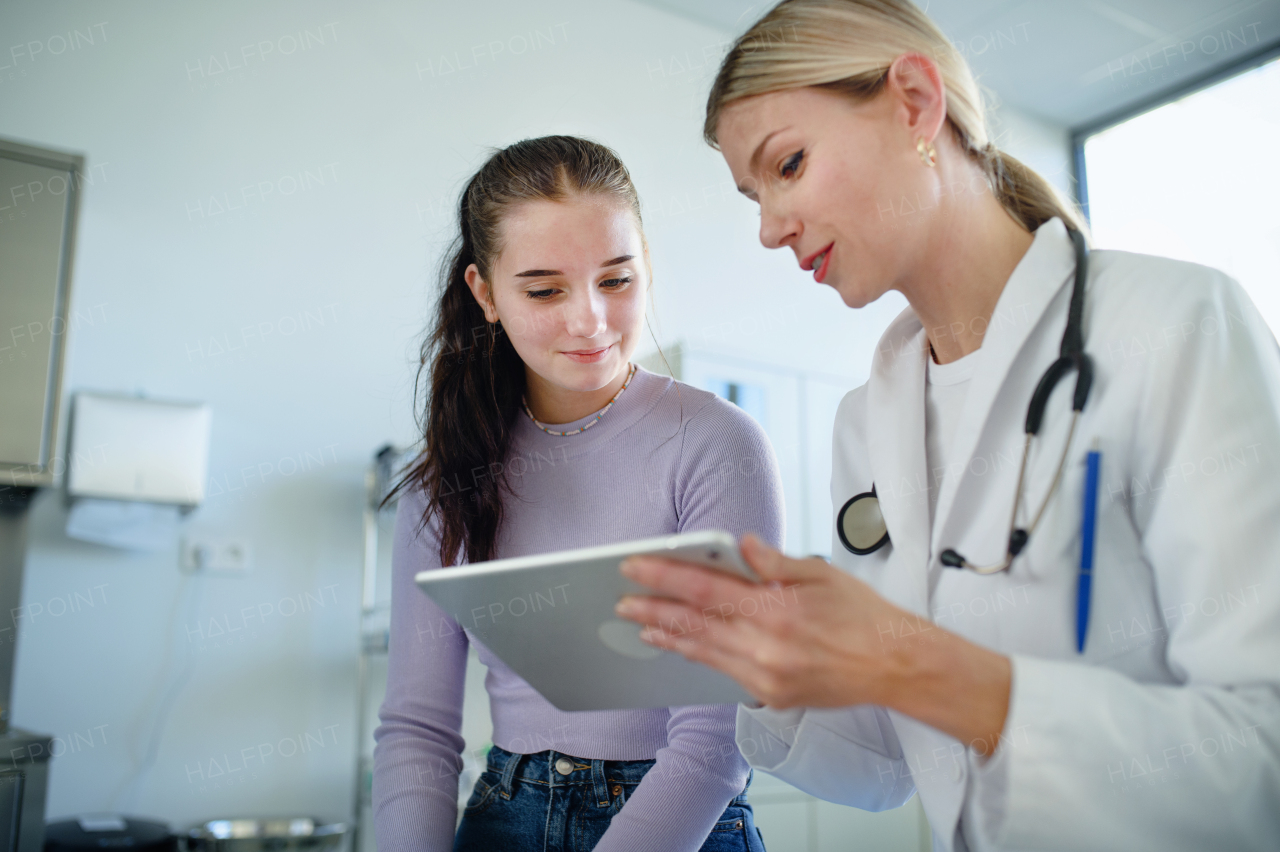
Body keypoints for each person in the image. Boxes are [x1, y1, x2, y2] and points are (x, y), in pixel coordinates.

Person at [612, 2, 1280, 850]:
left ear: (915, 101)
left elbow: (1264, 759)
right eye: (753, 195)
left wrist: (920, 665)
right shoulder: (869, 422)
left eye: (788, 164)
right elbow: (893, 766)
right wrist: (755, 665)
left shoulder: (1176, 326)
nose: (769, 228)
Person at [372, 135, 782, 852]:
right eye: (543, 290)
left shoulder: (716, 443)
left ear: (646, 264)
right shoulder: (448, 477)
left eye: (617, 280)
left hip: (683, 822)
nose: (589, 319)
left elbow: (717, 741)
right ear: (485, 295)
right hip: (505, 816)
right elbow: (417, 729)